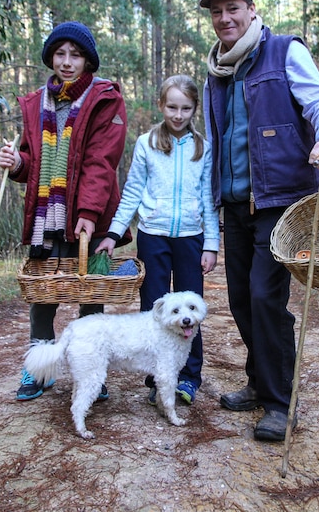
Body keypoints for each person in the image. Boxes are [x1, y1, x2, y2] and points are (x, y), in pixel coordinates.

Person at [198, 0, 319, 441]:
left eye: (233, 9)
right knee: (241, 300)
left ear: (251, 9)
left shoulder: (285, 50)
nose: (225, 19)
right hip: (234, 202)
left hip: (278, 201)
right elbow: (217, 140)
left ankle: (279, 402)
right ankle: (258, 380)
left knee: (267, 298)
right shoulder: (217, 71)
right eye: (217, 13)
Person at [0, 21, 130, 401]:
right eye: (60, 54)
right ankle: (39, 371)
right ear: (50, 58)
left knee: (90, 295)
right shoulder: (36, 101)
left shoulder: (104, 98)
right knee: (43, 295)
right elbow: (31, 160)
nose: (67, 62)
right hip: (46, 216)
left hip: (90, 214)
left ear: (88, 59)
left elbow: (101, 161)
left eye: (75, 54)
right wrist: (15, 162)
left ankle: (92, 374)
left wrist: (88, 212)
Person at [96, 74, 219, 405]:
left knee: (189, 311)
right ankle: (157, 375)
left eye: (186, 108)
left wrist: (211, 244)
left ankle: (189, 377)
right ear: (161, 105)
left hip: (191, 238)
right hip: (153, 236)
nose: (178, 115)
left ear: (194, 109)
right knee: (154, 307)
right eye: (172, 107)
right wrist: (112, 233)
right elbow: (133, 192)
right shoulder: (146, 144)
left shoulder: (202, 148)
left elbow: (208, 198)